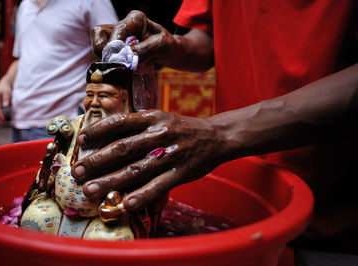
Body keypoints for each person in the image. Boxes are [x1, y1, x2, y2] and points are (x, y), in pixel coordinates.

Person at [71, 1, 358, 262]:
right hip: (240, 189)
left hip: (333, 215)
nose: (94, 103)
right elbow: (209, 38)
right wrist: (172, 45)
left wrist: (219, 132)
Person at [20, 62, 159, 239]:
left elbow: (143, 184)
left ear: (124, 98)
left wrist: (118, 205)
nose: (94, 103)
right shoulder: (74, 126)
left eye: (103, 96)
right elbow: (53, 160)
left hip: (102, 220)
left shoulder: (135, 135)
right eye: (89, 95)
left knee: (112, 240)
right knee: (34, 220)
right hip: (59, 211)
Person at [0, 0, 118, 142]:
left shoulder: (92, 2)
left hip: (64, 121)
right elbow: (22, 58)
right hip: (20, 121)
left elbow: (116, 52)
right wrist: (6, 81)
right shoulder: (26, 5)